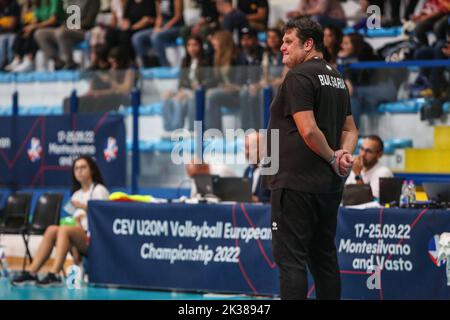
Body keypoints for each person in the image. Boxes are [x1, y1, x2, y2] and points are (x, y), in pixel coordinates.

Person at [266, 17, 358, 300]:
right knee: (324, 260)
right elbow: (350, 130)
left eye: (288, 41)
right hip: (327, 186)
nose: (281, 47)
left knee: (291, 261)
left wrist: (333, 157)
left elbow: (308, 130)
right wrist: (343, 154)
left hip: (295, 183)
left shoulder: (299, 76)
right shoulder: (337, 78)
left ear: (308, 45)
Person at [11, 155, 109, 287]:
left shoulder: (99, 190)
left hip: (97, 239)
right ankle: (32, 272)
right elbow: (73, 222)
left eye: (83, 167)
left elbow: (104, 219)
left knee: (64, 229)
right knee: (52, 229)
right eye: (76, 168)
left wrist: (84, 207)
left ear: (91, 170)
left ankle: (55, 274)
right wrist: (74, 247)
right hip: (79, 236)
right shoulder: (76, 195)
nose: (79, 171)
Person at [162, 35, 212, 131]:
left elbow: (210, 80)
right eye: (189, 45)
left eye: (195, 45)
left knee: (179, 100)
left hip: (198, 92)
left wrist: (194, 87)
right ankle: (168, 128)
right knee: (166, 95)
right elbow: (181, 82)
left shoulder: (207, 61)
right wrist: (179, 91)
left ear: (201, 46)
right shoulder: (185, 61)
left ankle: (176, 129)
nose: (192, 48)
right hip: (186, 90)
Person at [34, 0, 101, 70]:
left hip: (84, 31)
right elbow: (66, 19)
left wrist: (71, 27)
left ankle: (69, 62)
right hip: (67, 30)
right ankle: (58, 61)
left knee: (62, 32)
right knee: (40, 34)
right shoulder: (70, 1)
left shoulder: (93, 1)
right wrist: (64, 25)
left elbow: (89, 21)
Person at [6, 0, 64, 72]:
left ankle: (29, 60)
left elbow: (53, 20)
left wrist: (35, 26)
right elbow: (36, 19)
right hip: (43, 25)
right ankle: (18, 58)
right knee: (23, 30)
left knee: (35, 32)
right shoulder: (39, 3)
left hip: (55, 25)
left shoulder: (54, 1)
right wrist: (29, 27)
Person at [132, 0, 184, 67]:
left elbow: (178, 16)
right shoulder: (158, 1)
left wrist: (165, 27)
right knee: (137, 38)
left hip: (176, 27)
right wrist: (157, 27)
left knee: (155, 37)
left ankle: (164, 65)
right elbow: (159, 17)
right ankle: (146, 66)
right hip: (162, 27)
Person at [243, 132, 270, 203]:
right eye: (246, 147)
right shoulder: (247, 170)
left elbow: (275, 200)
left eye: (250, 147)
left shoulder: (272, 171)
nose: (246, 152)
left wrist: (256, 200)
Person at [0, 0, 20, 70]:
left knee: (10, 41)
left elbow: (12, 25)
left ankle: (10, 66)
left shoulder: (13, 4)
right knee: (2, 41)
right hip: (2, 34)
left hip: (13, 33)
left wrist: (2, 26)